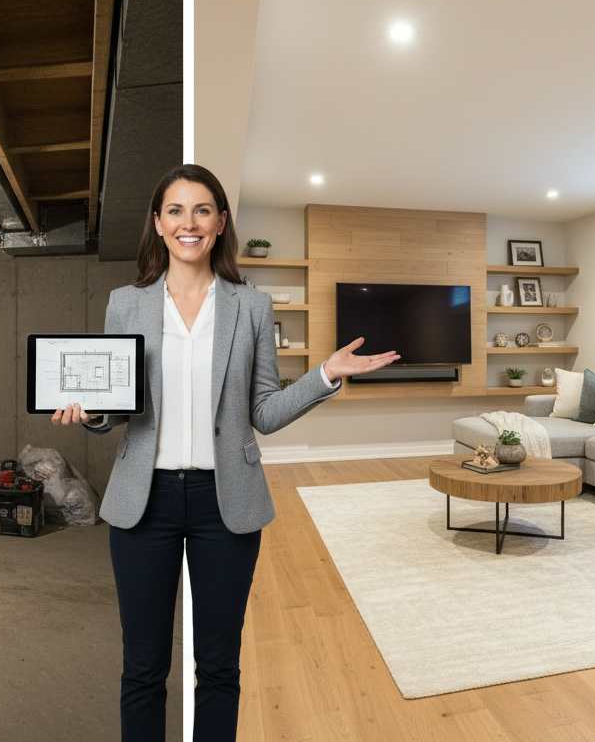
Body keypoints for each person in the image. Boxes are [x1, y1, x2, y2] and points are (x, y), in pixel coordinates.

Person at [51, 164, 398, 742]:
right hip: (144, 503)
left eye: (203, 210)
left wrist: (324, 376)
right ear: (158, 224)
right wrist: (90, 412)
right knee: (142, 668)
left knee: (218, 667)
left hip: (225, 505)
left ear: (220, 222)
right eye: (176, 211)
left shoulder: (252, 307)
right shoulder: (125, 304)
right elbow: (117, 405)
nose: (190, 223)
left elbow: (263, 412)